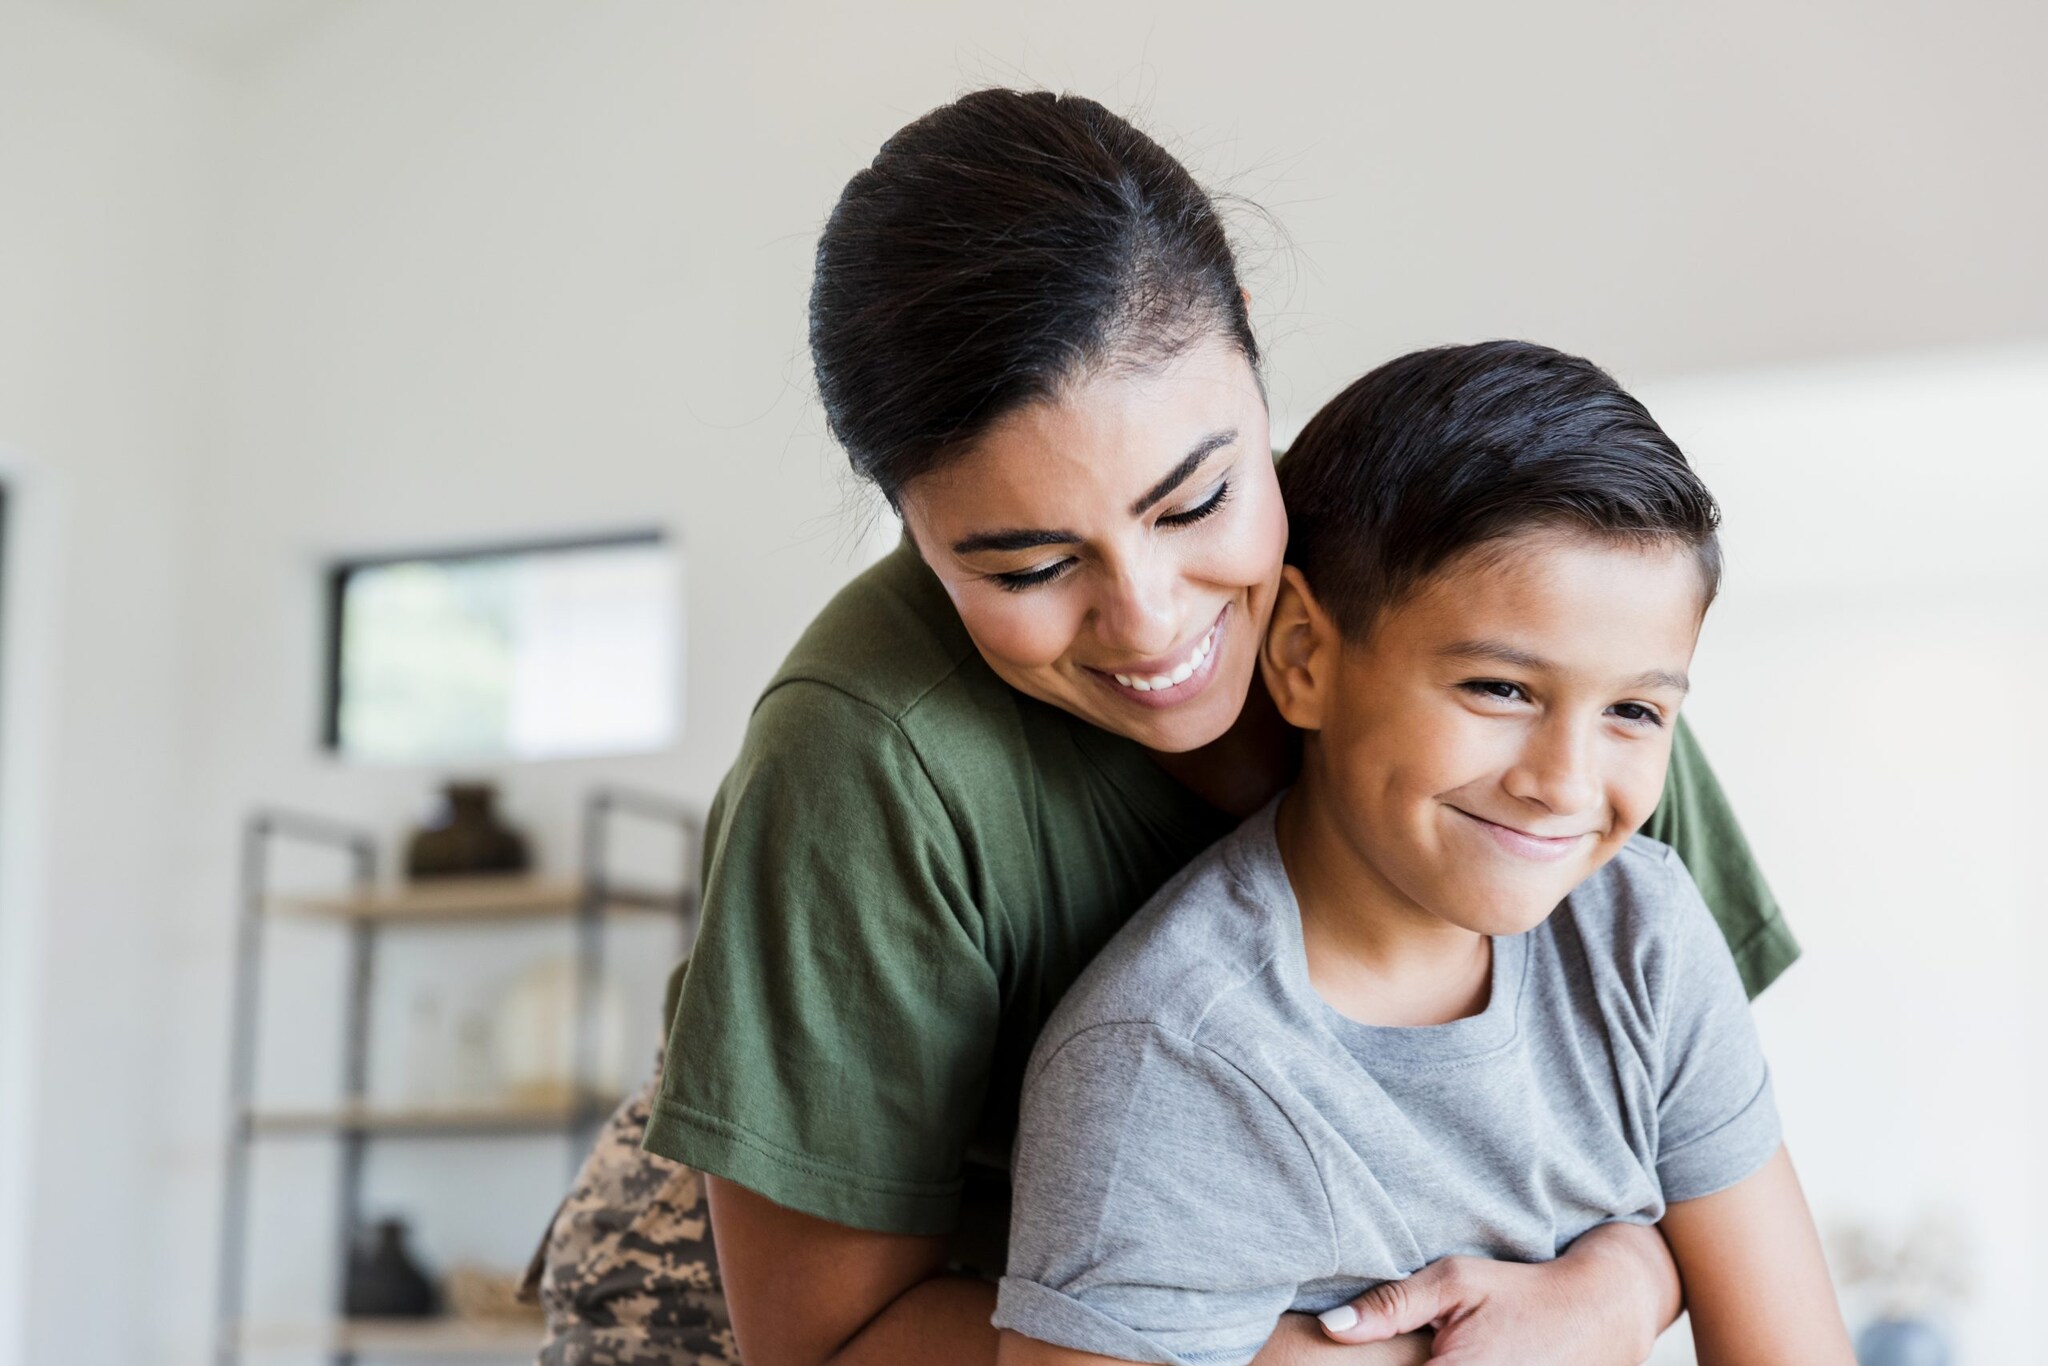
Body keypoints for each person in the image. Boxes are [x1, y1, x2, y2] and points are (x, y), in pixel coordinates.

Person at [527, 90, 1800, 1366]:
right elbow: (826, 1337)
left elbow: (1682, 1121)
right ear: (913, 537)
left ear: (1258, 390)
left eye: (1196, 498)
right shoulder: (868, 754)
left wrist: (1617, 1286)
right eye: (1026, 566)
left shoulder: (1502, 648)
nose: (1146, 623)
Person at [993, 341, 1853, 1366]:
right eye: (1499, 689)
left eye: (1631, 709)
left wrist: (1628, 1276)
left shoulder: (1643, 937)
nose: (1565, 781)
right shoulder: (1168, 1064)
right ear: (1303, 655)